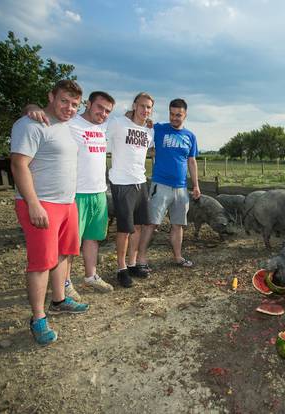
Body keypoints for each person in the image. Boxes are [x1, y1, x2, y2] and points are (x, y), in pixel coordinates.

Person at [10, 80, 89, 346]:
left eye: (74, 104)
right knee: (41, 262)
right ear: (51, 96)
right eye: (64, 100)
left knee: (64, 254)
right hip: (41, 203)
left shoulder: (67, 126)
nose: (69, 107)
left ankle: (59, 299)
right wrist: (33, 204)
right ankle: (38, 318)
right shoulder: (31, 125)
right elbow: (19, 164)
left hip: (67, 203)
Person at [25, 92, 117, 300]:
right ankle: (65, 283)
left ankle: (91, 276)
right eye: (99, 107)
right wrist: (32, 107)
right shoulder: (70, 122)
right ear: (89, 104)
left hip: (99, 191)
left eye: (107, 111)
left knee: (93, 238)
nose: (102, 113)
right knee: (69, 245)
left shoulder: (103, 127)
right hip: (76, 193)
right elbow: (39, 112)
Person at [137, 98, 200, 269]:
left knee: (178, 224)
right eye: (171, 114)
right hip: (161, 184)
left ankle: (178, 257)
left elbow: (192, 161)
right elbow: (139, 124)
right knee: (152, 222)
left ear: (185, 115)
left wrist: (195, 185)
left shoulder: (190, 136)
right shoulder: (159, 129)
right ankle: (140, 259)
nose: (174, 118)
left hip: (181, 188)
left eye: (178, 115)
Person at [107, 92, 155, 288]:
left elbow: (151, 147)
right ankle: (121, 268)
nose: (145, 110)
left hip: (140, 181)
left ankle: (133, 263)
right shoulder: (118, 123)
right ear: (134, 106)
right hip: (122, 182)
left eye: (149, 107)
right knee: (124, 228)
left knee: (139, 226)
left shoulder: (148, 131)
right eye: (142, 106)